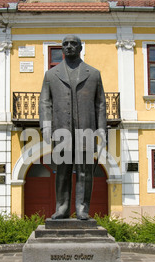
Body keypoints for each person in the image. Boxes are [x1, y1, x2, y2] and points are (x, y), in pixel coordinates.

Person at [39, 35, 107, 220]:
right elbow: (45, 102)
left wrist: (101, 129)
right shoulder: (51, 75)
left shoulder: (93, 73)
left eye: (73, 44)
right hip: (61, 130)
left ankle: (83, 208)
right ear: (62, 48)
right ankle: (62, 208)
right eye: (65, 44)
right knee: (62, 171)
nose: (69, 47)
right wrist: (46, 125)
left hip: (86, 129)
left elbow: (100, 103)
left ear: (80, 47)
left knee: (85, 170)